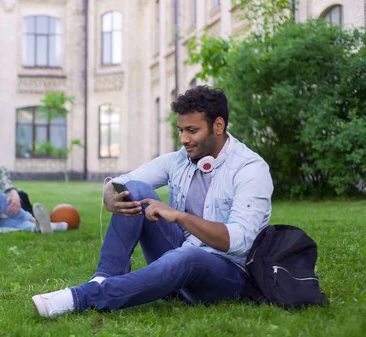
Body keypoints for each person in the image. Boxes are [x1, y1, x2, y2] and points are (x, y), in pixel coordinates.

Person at [31, 85, 274, 317]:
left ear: (218, 126)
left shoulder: (250, 169)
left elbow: (241, 240)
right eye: (180, 130)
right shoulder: (179, 160)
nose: (184, 139)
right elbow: (122, 182)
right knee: (134, 190)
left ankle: (81, 297)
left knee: (187, 258)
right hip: (181, 254)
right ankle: (103, 278)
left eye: (192, 130)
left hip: (225, 273)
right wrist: (109, 197)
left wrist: (180, 217)